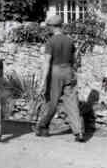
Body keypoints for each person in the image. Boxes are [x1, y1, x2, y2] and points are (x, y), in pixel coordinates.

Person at [32, 14, 85, 142]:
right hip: (68, 71)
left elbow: (46, 63)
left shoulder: (50, 42)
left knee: (52, 103)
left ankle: (43, 126)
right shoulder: (70, 40)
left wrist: (43, 81)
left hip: (55, 72)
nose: (48, 29)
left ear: (52, 27)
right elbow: (75, 60)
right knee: (72, 102)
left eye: (49, 26)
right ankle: (79, 132)